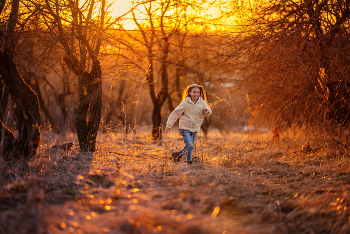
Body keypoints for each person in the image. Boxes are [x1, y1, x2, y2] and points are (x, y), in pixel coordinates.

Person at [164, 84, 212, 164]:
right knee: (190, 145)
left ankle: (188, 161)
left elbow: (207, 112)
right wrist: (169, 125)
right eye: (194, 92)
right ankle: (179, 155)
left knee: (189, 147)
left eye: (198, 92)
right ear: (189, 92)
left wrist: (208, 111)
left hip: (195, 128)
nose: (196, 94)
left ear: (200, 93)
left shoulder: (202, 102)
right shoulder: (185, 102)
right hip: (185, 127)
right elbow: (175, 113)